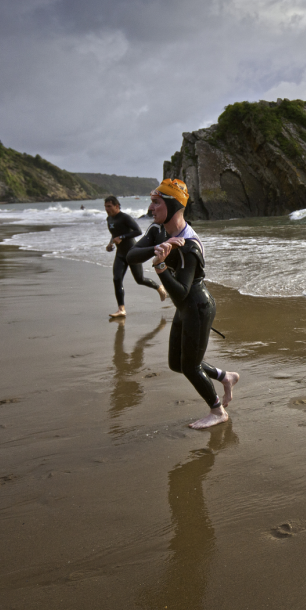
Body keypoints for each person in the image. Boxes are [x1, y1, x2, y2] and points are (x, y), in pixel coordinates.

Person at [126, 179, 239, 429]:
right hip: (185, 307)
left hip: (198, 305)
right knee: (176, 363)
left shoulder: (190, 245)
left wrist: (160, 266)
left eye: (156, 202)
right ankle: (224, 376)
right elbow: (130, 254)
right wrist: (158, 248)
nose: (151, 208)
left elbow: (181, 293)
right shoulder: (158, 231)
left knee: (189, 366)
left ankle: (218, 411)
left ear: (172, 204)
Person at [104, 195, 166, 318]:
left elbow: (138, 231)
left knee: (140, 279)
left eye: (109, 206)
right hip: (120, 254)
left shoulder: (125, 217)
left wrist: (121, 238)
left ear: (116, 206)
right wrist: (110, 243)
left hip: (132, 253)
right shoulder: (109, 219)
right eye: (105, 206)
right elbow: (115, 234)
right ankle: (121, 309)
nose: (107, 209)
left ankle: (159, 287)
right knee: (117, 279)